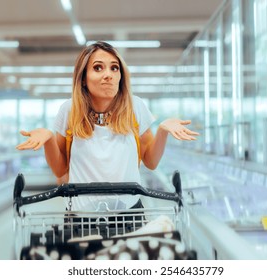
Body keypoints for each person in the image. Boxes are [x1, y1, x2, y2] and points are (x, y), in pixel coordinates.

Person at [16, 41, 199, 211]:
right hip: (81, 215)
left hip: (129, 213)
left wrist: (162, 131)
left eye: (114, 68)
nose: (108, 75)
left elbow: (150, 162)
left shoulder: (135, 107)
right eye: (98, 68)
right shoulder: (69, 110)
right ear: (83, 79)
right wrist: (48, 139)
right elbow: (60, 169)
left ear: (121, 76)